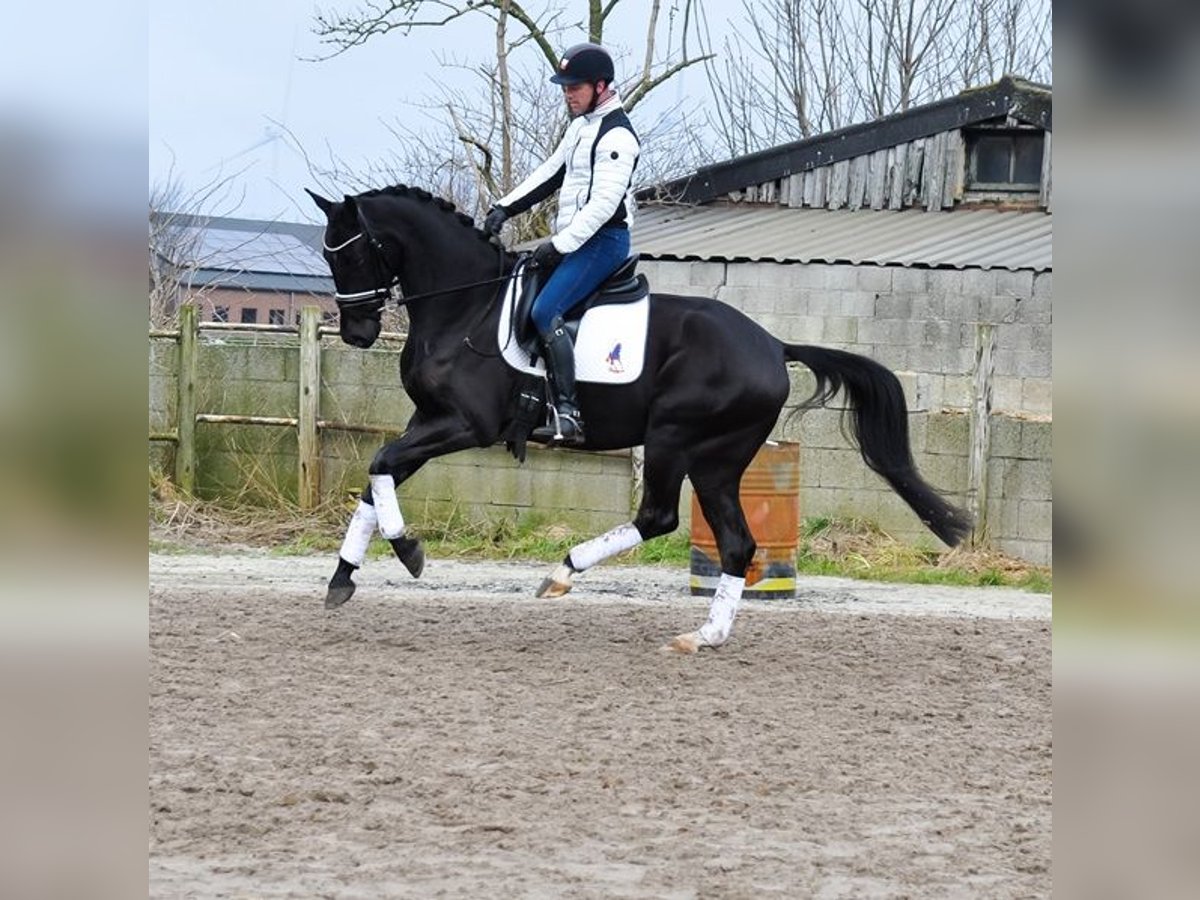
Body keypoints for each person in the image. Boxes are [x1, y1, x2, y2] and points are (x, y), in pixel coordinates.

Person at [482, 42, 640, 446]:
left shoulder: (618, 135)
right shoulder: (580, 127)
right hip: (576, 241)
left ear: (600, 86)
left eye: (575, 87)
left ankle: (569, 412)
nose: (568, 94)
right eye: (565, 87)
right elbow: (550, 174)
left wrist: (558, 244)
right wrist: (504, 208)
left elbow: (605, 205)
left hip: (603, 241)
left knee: (546, 308)